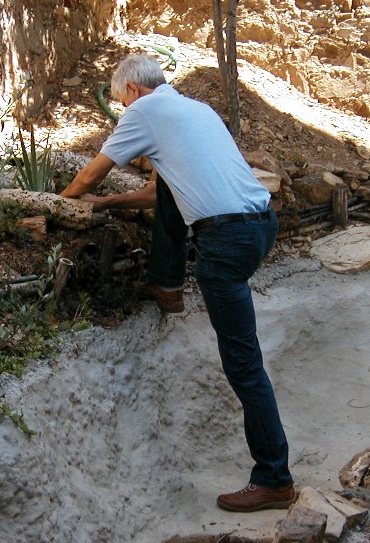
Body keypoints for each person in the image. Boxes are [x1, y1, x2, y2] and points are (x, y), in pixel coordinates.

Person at [59, 54, 294, 513]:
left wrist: (58, 202)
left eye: (119, 99)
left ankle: (274, 477)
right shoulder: (194, 109)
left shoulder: (143, 112)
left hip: (224, 243)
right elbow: (159, 192)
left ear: (131, 91)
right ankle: (166, 284)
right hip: (261, 225)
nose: (121, 107)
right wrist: (108, 204)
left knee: (244, 366)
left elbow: (91, 172)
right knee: (167, 185)